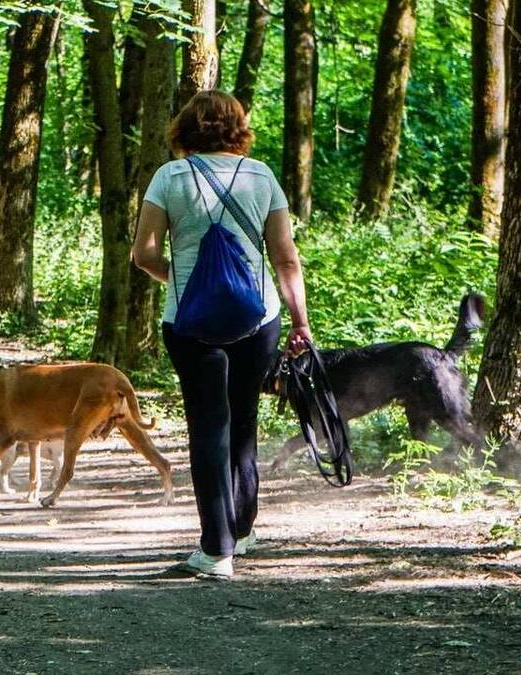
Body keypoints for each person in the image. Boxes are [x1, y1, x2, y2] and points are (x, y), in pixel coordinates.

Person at [130, 90, 311, 578]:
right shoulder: (262, 176)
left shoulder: (169, 178)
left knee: (209, 426)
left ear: (185, 126)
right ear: (238, 127)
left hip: (191, 323)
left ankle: (216, 550)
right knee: (243, 419)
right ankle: (243, 528)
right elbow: (286, 257)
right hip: (258, 318)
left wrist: (188, 283)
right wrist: (300, 322)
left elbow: (143, 255)